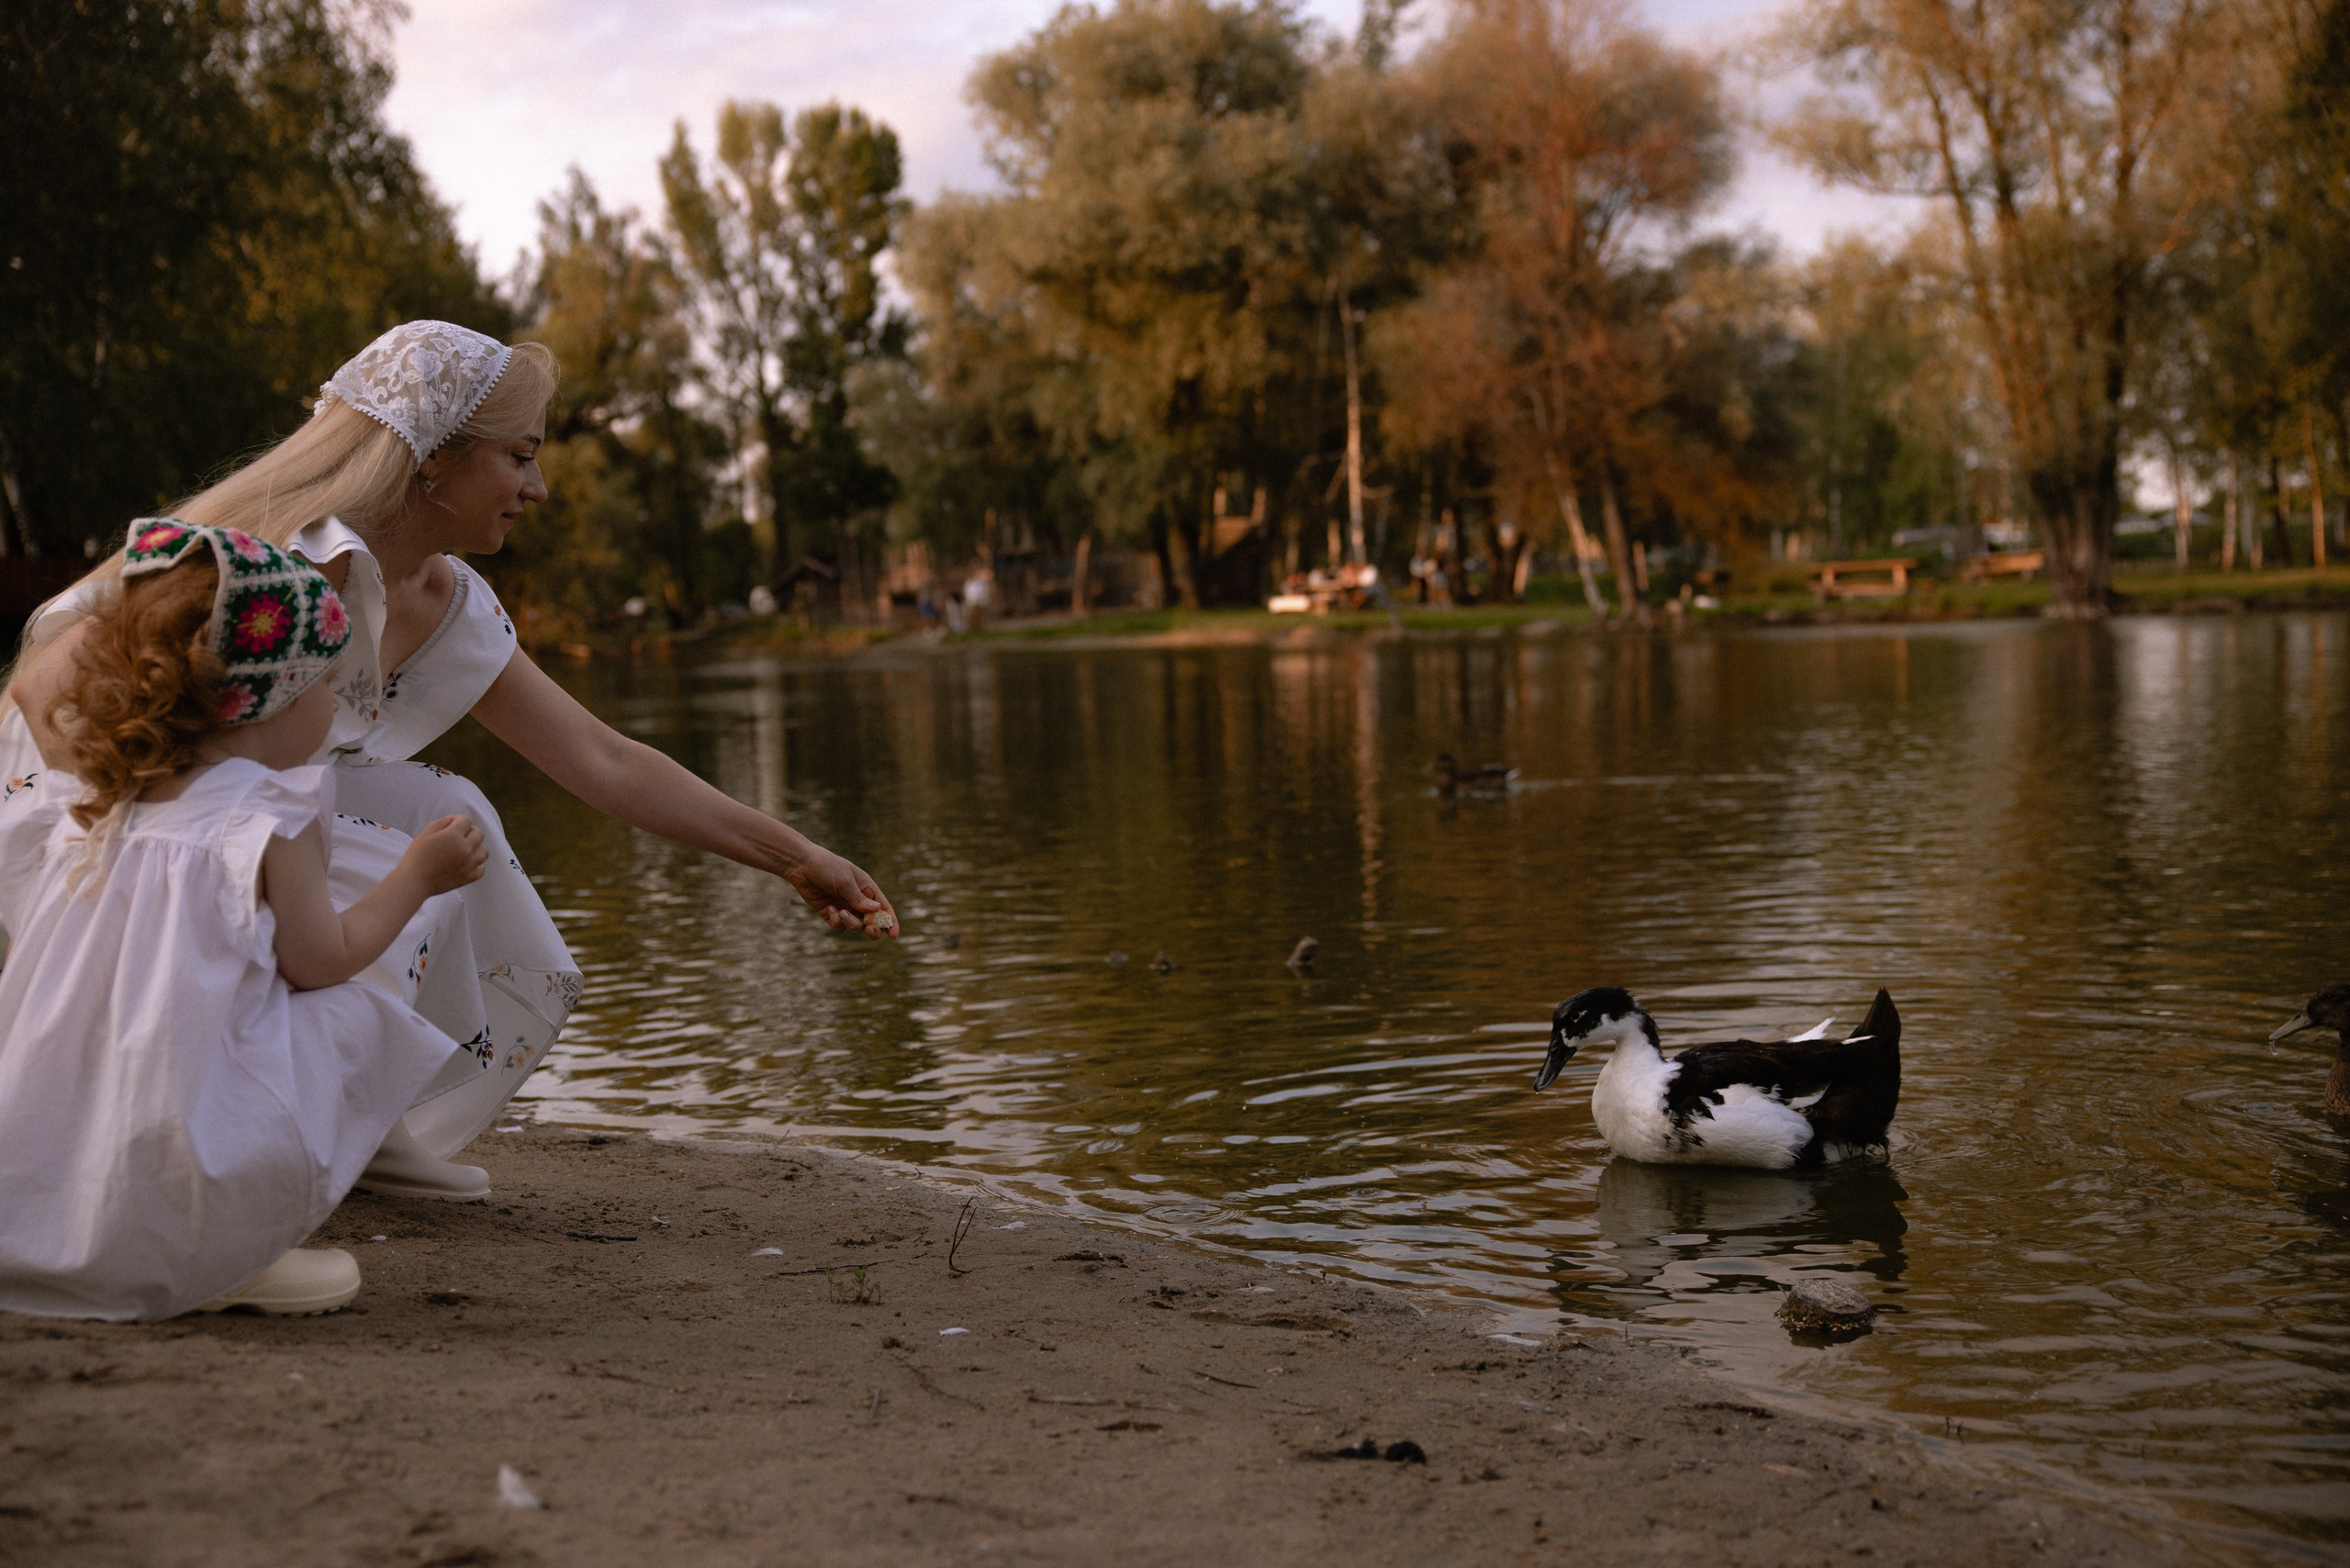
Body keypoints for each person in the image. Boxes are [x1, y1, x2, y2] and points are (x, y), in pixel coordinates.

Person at [0, 321, 897, 1198]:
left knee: (445, 816)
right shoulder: (268, 571)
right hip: (96, 813)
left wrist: (793, 857)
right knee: (354, 846)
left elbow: (603, 758)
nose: (538, 486)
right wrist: (193, 828)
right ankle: (210, 1150)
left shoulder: (443, 598)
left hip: (251, 808)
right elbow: (48, 695)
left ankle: (367, 1115)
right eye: (519, 455)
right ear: (431, 455)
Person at [0, 523, 481, 1319]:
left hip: (43, 1156)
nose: (333, 710)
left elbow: (32, 693)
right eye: (322, 687)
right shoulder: (266, 816)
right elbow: (322, 960)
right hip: (181, 1170)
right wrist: (416, 877)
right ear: (261, 706)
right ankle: (233, 1249)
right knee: (353, 1013)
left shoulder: (99, 796)